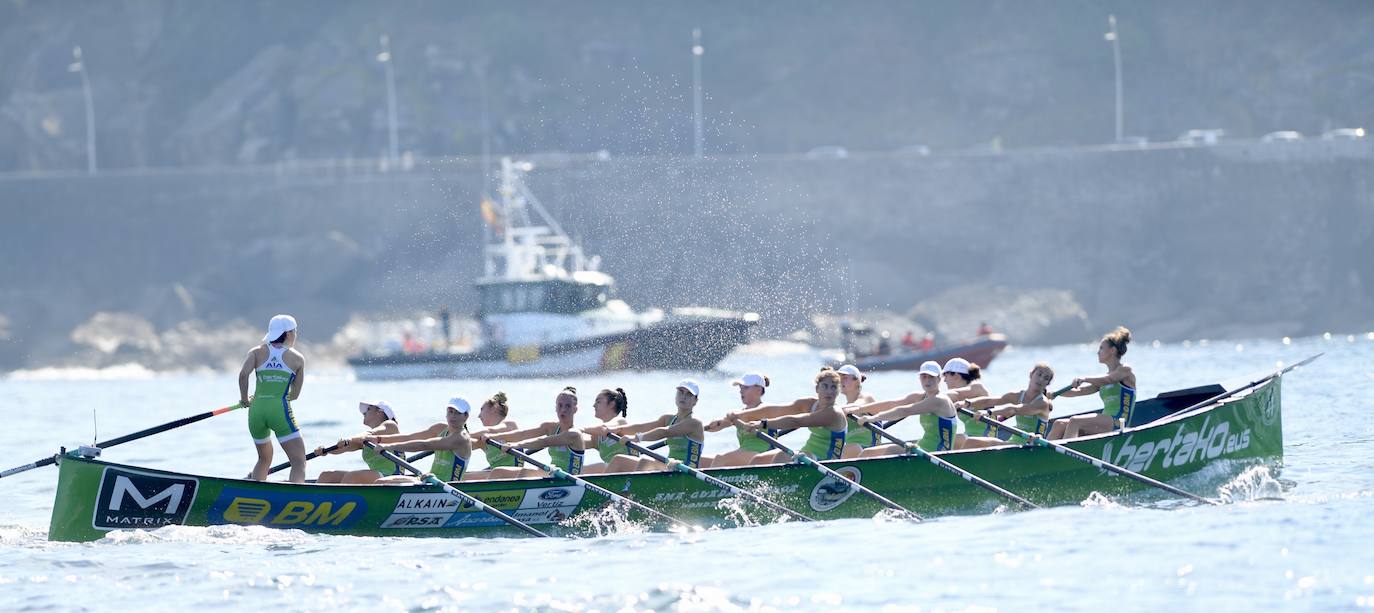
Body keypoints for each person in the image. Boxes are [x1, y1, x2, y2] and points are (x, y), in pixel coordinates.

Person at [239, 314, 308, 483]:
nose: (295, 335)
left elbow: (243, 375)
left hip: (256, 411)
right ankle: (295, 495)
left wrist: (244, 399)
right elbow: (295, 395)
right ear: (289, 334)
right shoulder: (298, 359)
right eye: (295, 332)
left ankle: (256, 492)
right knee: (298, 461)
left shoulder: (256, 352)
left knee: (264, 458)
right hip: (279, 411)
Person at [734, 367, 848, 465]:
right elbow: (776, 410)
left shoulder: (834, 413)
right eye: (825, 386)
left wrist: (762, 424)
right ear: (817, 388)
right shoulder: (809, 403)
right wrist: (739, 415)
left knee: (782, 456)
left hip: (826, 462)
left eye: (834, 387)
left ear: (838, 391)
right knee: (759, 460)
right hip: (807, 454)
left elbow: (796, 421)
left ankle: (776, 484)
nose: (829, 391)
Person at [477, 386, 586, 478]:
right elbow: (522, 434)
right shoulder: (551, 427)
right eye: (560, 405)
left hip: (569, 480)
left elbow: (543, 442)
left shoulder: (574, 434)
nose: (563, 410)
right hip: (554, 475)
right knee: (498, 472)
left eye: (568, 406)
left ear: (575, 409)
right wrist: (493, 436)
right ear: (555, 407)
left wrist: (516, 445)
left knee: (524, 472)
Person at [1049, 326, 1136, 439]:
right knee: (1059, 424)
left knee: (1075, 421)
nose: (1097, 352)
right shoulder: (1102, 379)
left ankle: (1067, 448)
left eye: (1101, 348)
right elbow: (1079, 391)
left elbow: (1109, 379)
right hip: (1104, 423)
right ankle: (1041, 451)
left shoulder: (1125, 370)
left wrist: (1084, 379)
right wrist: (1053, 393)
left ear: (1112, 350)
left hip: (1118, 422)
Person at [856, 361, 959, 455]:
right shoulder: (920, 396)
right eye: (924, 377)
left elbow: (904, 411)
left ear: (939, 379)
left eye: (931, 377)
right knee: (867, 453)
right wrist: (857, 409)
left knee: (883, 452)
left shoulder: (939, 400)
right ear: (919, 379)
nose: (927, 380)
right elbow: (891, 404)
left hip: (938, 454)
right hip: (922, 449)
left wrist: (874, 418)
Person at [365, 396, 474, 483]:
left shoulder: (461, 438)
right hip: (429, 480)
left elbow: (424, 445)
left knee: (383, 483)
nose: (453, 416)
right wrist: (378, 439)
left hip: (446, 487)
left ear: (466, 416)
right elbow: (409, 437)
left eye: (458, 413)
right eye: (450, 411)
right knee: (381, 482)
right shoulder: (440, 428)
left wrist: (389, 447)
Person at [608, 380, 706, 471]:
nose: (683, 397)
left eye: (689, 395)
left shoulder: (694, 422)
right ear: (676, 395)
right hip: (672, 466)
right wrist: (616, 429)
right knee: (618, 459)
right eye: (681, 392)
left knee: (645, 461)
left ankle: (630, 485)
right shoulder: (668, 418)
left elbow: (665, 432)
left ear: (695, 401)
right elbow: (642, 427)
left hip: (688, 470)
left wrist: (636, 438)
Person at [956, 364, 1056, 448]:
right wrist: (966, 403)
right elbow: (989, 401)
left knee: (972, 443)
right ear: (1031, 374)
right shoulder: (1017, 396)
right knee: (970, 442)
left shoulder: (1043, 403)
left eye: (1046, 378)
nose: (1041, 379)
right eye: (1039, 374)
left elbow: (1014, 410)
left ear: (1047, 383)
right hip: (1013, 443)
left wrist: (988, 412)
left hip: (1032, 445)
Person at [700, 373, 776, 468]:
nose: (741, 391)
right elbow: (718, 427)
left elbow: (749, 416)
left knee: (720, 459)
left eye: (745, 388)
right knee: (699, 460)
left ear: (758, 390)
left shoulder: (767, 409)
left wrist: (733, 418)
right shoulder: (738, 414)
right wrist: (704, 427)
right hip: (744, 453)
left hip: (763, 454)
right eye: (740, 388)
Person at [315, 400, 402, 484]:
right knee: (327, 476)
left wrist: (348, 439)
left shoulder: (391, 426)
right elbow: (343, 448)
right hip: (376, 476)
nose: (364, 413)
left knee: (352, 477)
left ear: (380, 412)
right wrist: (325, 450)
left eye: (368, 409)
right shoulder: (363, 440)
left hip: (392, 477)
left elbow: (369, 434)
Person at [458, 392, 523, 480]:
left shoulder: (510, 426)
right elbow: (464, 445)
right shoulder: (484, 440)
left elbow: (490, 431)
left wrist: (462, 435)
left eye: (482, 410)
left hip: (514, 477)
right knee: (459, 476)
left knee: (464, 478)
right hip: (497, 478)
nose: (479, 416)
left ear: (493, 408)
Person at [579, 388, 638, 474]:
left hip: (634, 472)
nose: (594, 405)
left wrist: (581, 429)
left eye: (598, 402)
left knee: (601, 467)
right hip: (616, 475)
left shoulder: (621, 422)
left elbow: (604, 428)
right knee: (580, 469)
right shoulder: (597, 437)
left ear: (611, 404)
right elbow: (575, 443)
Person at [836, 364, 882, 458]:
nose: (840, 381)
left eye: (844, 378)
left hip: (870, 452)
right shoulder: (842, 408)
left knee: (851, 448)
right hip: (852, 453)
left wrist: (835, 411)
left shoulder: (867, 398)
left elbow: (857, 406)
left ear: (857, 380)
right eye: (839, 378)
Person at [942, 358, 992, 442]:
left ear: (956, 376)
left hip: (986, 437)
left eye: (945, 376)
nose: (944, 380)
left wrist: (933, 398)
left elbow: (957, 394)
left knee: (951, 440)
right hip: (970, 437)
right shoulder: (955, 399)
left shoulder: (977, 388)